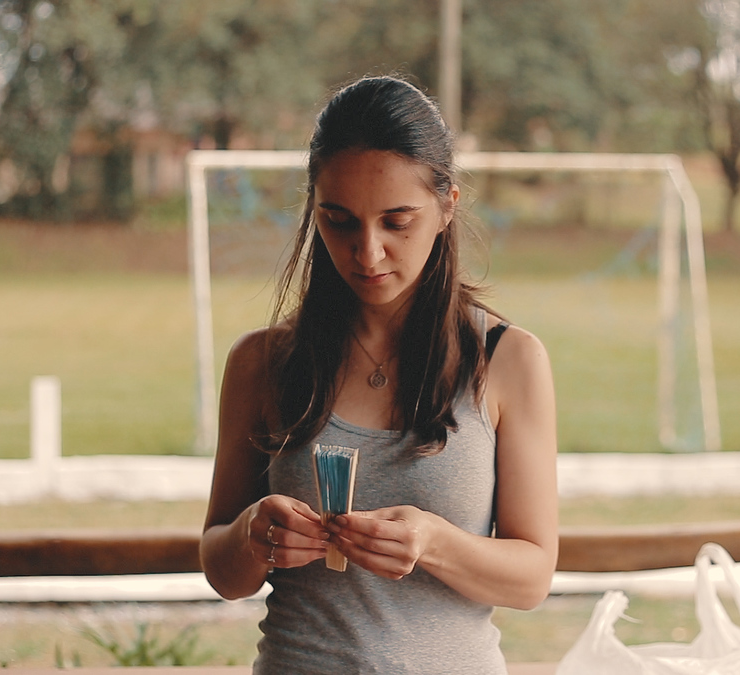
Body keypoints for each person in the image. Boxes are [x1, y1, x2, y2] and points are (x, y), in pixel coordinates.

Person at [200, 75, 558, 674]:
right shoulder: (262, 363)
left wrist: (434, 542)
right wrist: (251, 536)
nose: (367, 253)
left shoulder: (509, 359)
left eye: (397, 221)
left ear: (447, 207)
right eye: (339, 221)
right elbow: (221, 568)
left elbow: (532, 579)